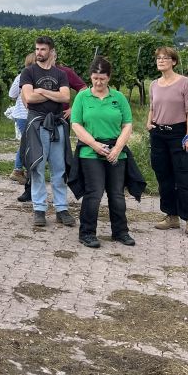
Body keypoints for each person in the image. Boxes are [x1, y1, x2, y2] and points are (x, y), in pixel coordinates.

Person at [70, 56, 136, 249]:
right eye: (95, 78)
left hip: (116, 151)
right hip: (90, 152)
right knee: (95, 192)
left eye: (102, 79)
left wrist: (118, 148)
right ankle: (87, 233)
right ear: (90, 76)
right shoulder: (82, 97)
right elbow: (76, 124)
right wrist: (94, 144)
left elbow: (127, 124)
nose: (98, 83)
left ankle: (120, 232)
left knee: (117, 194)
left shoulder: (118, 97)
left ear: (109, 78)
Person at [20, 36, 76, 229]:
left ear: (51, 51)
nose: (39, 52)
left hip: (57, 124)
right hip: (37, 124)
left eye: (43, 49)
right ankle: (39, 209)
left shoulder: (60, 74)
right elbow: (29, 98)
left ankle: (61, 209)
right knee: (37, 167)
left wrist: (42, 91)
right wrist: (53, 95)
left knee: (59, 169)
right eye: (37, 49)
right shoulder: (28, 72)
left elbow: (65, 97)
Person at [148, 46, 188, 239]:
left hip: (178, 133)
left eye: (165, 58)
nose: (161, 61)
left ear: (174, 61)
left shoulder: (185, 83)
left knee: (184, 177)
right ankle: (171, 215)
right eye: (158, 58)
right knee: (164, 176)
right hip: (158, 134)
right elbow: (152, 107)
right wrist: (149, 122)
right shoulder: (154, 84)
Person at [8, 52, 34, 184]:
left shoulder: (22, 76)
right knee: (28, 142)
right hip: (24, 115)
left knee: (28, 142)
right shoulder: (23, 77)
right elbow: (12, 94)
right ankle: (18, 169)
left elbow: (12, 94)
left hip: (25, 115)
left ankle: (24, 169)